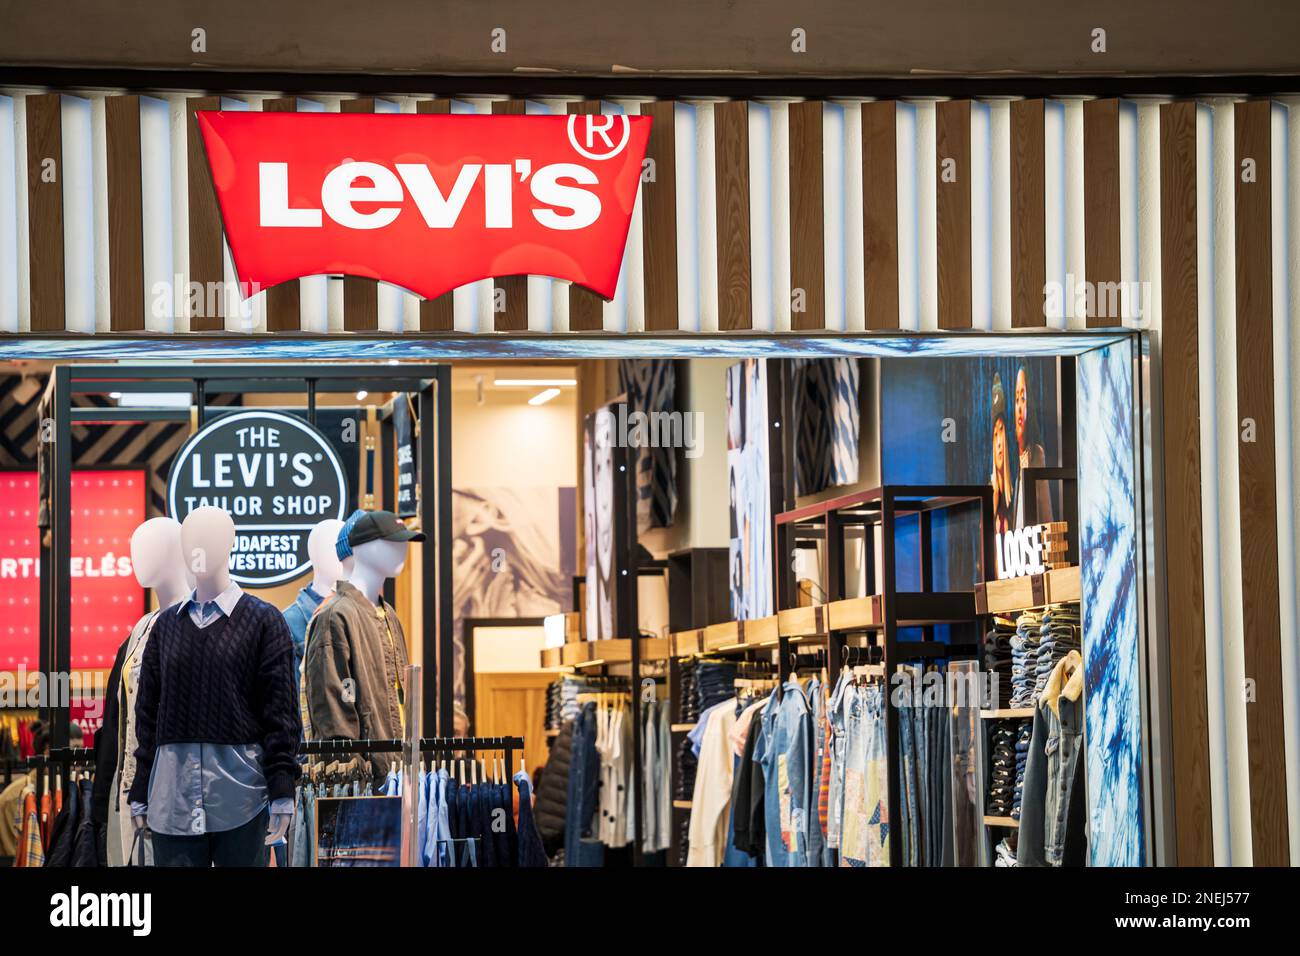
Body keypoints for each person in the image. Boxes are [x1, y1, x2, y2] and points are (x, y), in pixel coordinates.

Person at [1012, 365, 1053, 528]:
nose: (1020, 407)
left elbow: (1047, 514)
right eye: (1016, 400)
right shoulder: (1013, 459)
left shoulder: (1036, 454)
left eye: (1023, 398)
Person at [990, 373, 1014, 534]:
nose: (999, 442)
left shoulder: (1014, 491)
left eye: (1001, 431)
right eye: (995, 434)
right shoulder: (989, 492)